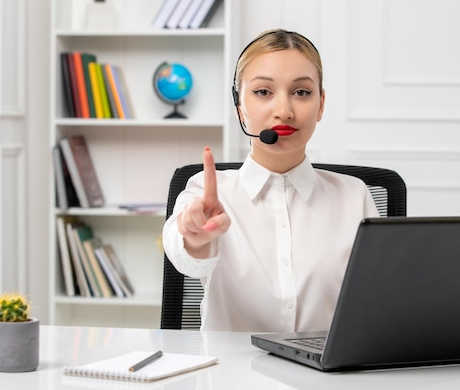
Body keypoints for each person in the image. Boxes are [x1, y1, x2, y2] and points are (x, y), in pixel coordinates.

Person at [162, 29, 379, 332]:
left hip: (325, 378)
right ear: (240, 106)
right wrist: (195, 238)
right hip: (234, 376)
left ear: (321, 104)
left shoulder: (354, 196)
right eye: (263, 92)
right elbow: (184, 255)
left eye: (301, 92)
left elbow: (377, 303)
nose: (284, 111)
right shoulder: (206, 192)